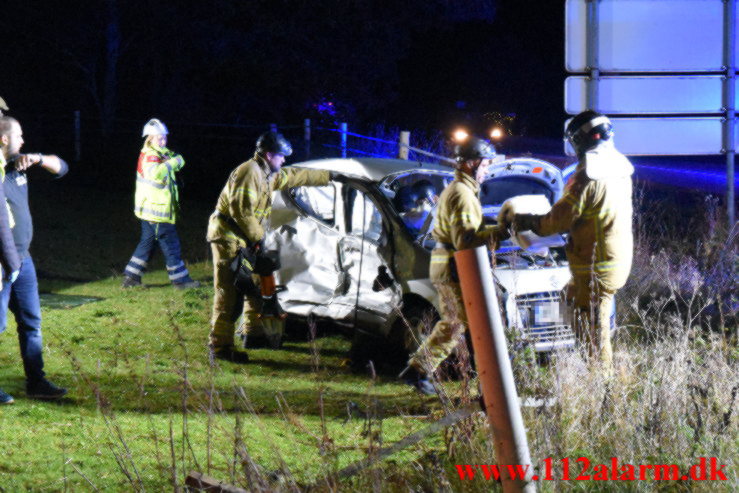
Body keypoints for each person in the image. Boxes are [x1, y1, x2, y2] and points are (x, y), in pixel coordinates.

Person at [510, 110, 633, 376]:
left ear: (579, 140)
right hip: (614, 259)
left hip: (595, 266)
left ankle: (603, 385)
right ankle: (583, 355)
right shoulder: (618, 168)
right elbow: (593, 216)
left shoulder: (588, 174)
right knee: (568, 298)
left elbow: (560, 219)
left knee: (596, 329)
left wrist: (531, 222)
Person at [206, 131, 333, 362]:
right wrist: (259, 240)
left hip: (244, 238)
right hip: (228, 238)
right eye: (281, 156)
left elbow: (294, 176)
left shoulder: (267, 174)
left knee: (253, 285)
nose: (284, 160)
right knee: (229, 292)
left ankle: (253, 334)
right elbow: (242, 212)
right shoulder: (249, 172)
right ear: (268, 154)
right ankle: (220, 347)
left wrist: (329, 176)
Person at [402, 135, 508, 395]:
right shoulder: (462, 193)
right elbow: (466, 239)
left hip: (449, 264)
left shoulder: (460, 190)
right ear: (471, 163)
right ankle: (419, 371)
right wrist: (503, 232)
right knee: (456, 323)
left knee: (458, 322)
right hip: (452, 265)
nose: (486, 170)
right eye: (484, 165)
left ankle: (420, 371)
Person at [0, 115, 67, 402]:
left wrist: (37, 158)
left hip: (23, 260)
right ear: (4, 139)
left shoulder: (21, 165)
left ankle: (36, 382)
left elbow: (62, 167)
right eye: (19, 136)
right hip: (2, 263)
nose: (23, 141)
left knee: (31, 322)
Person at [122, 119, 200, 289]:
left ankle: (131, 279)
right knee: (171, 245)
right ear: (149, 138)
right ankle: (180, 280)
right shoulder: (151, 156)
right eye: (159, 138)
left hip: (150, 211)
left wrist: (173, 161)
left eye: (164, 138)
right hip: (157, 212)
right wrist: (172, 162)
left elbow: (180, 160)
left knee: (147, 244)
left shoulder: (160, 152)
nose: (163, 141)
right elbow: (157, 173)